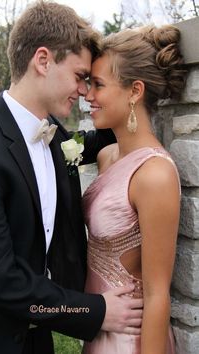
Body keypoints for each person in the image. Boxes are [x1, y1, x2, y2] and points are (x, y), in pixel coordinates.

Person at [0, 2, 143, 354]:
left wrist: (132, 92)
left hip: (38, 339)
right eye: (79, 77)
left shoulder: (54, 135)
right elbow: (1, 282)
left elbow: (93, 140)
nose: (83, 91)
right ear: (43, 60)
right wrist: (94, 311)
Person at [82, 24, 187, 354]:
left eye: (98, 85)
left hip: (132, 341)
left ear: (135, 91)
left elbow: (157, 294)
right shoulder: (104, 156)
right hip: (100, 327)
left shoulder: (155, 175)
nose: (88, 96)